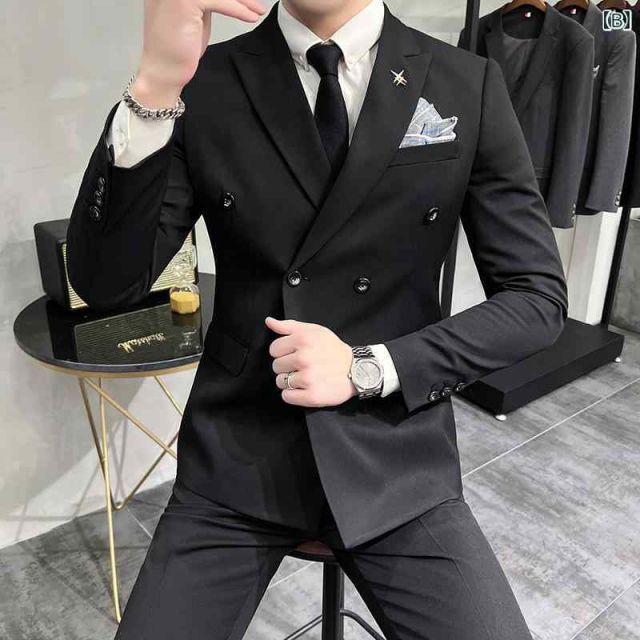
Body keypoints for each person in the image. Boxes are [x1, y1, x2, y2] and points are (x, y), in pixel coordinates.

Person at [65, 0, 568, 638]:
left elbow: (535, 299)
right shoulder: (207, 79)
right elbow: (107, 286)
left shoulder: (465, 82)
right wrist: (155, 83)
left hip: (395, 456)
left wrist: (369, 368)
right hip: (237, 456)